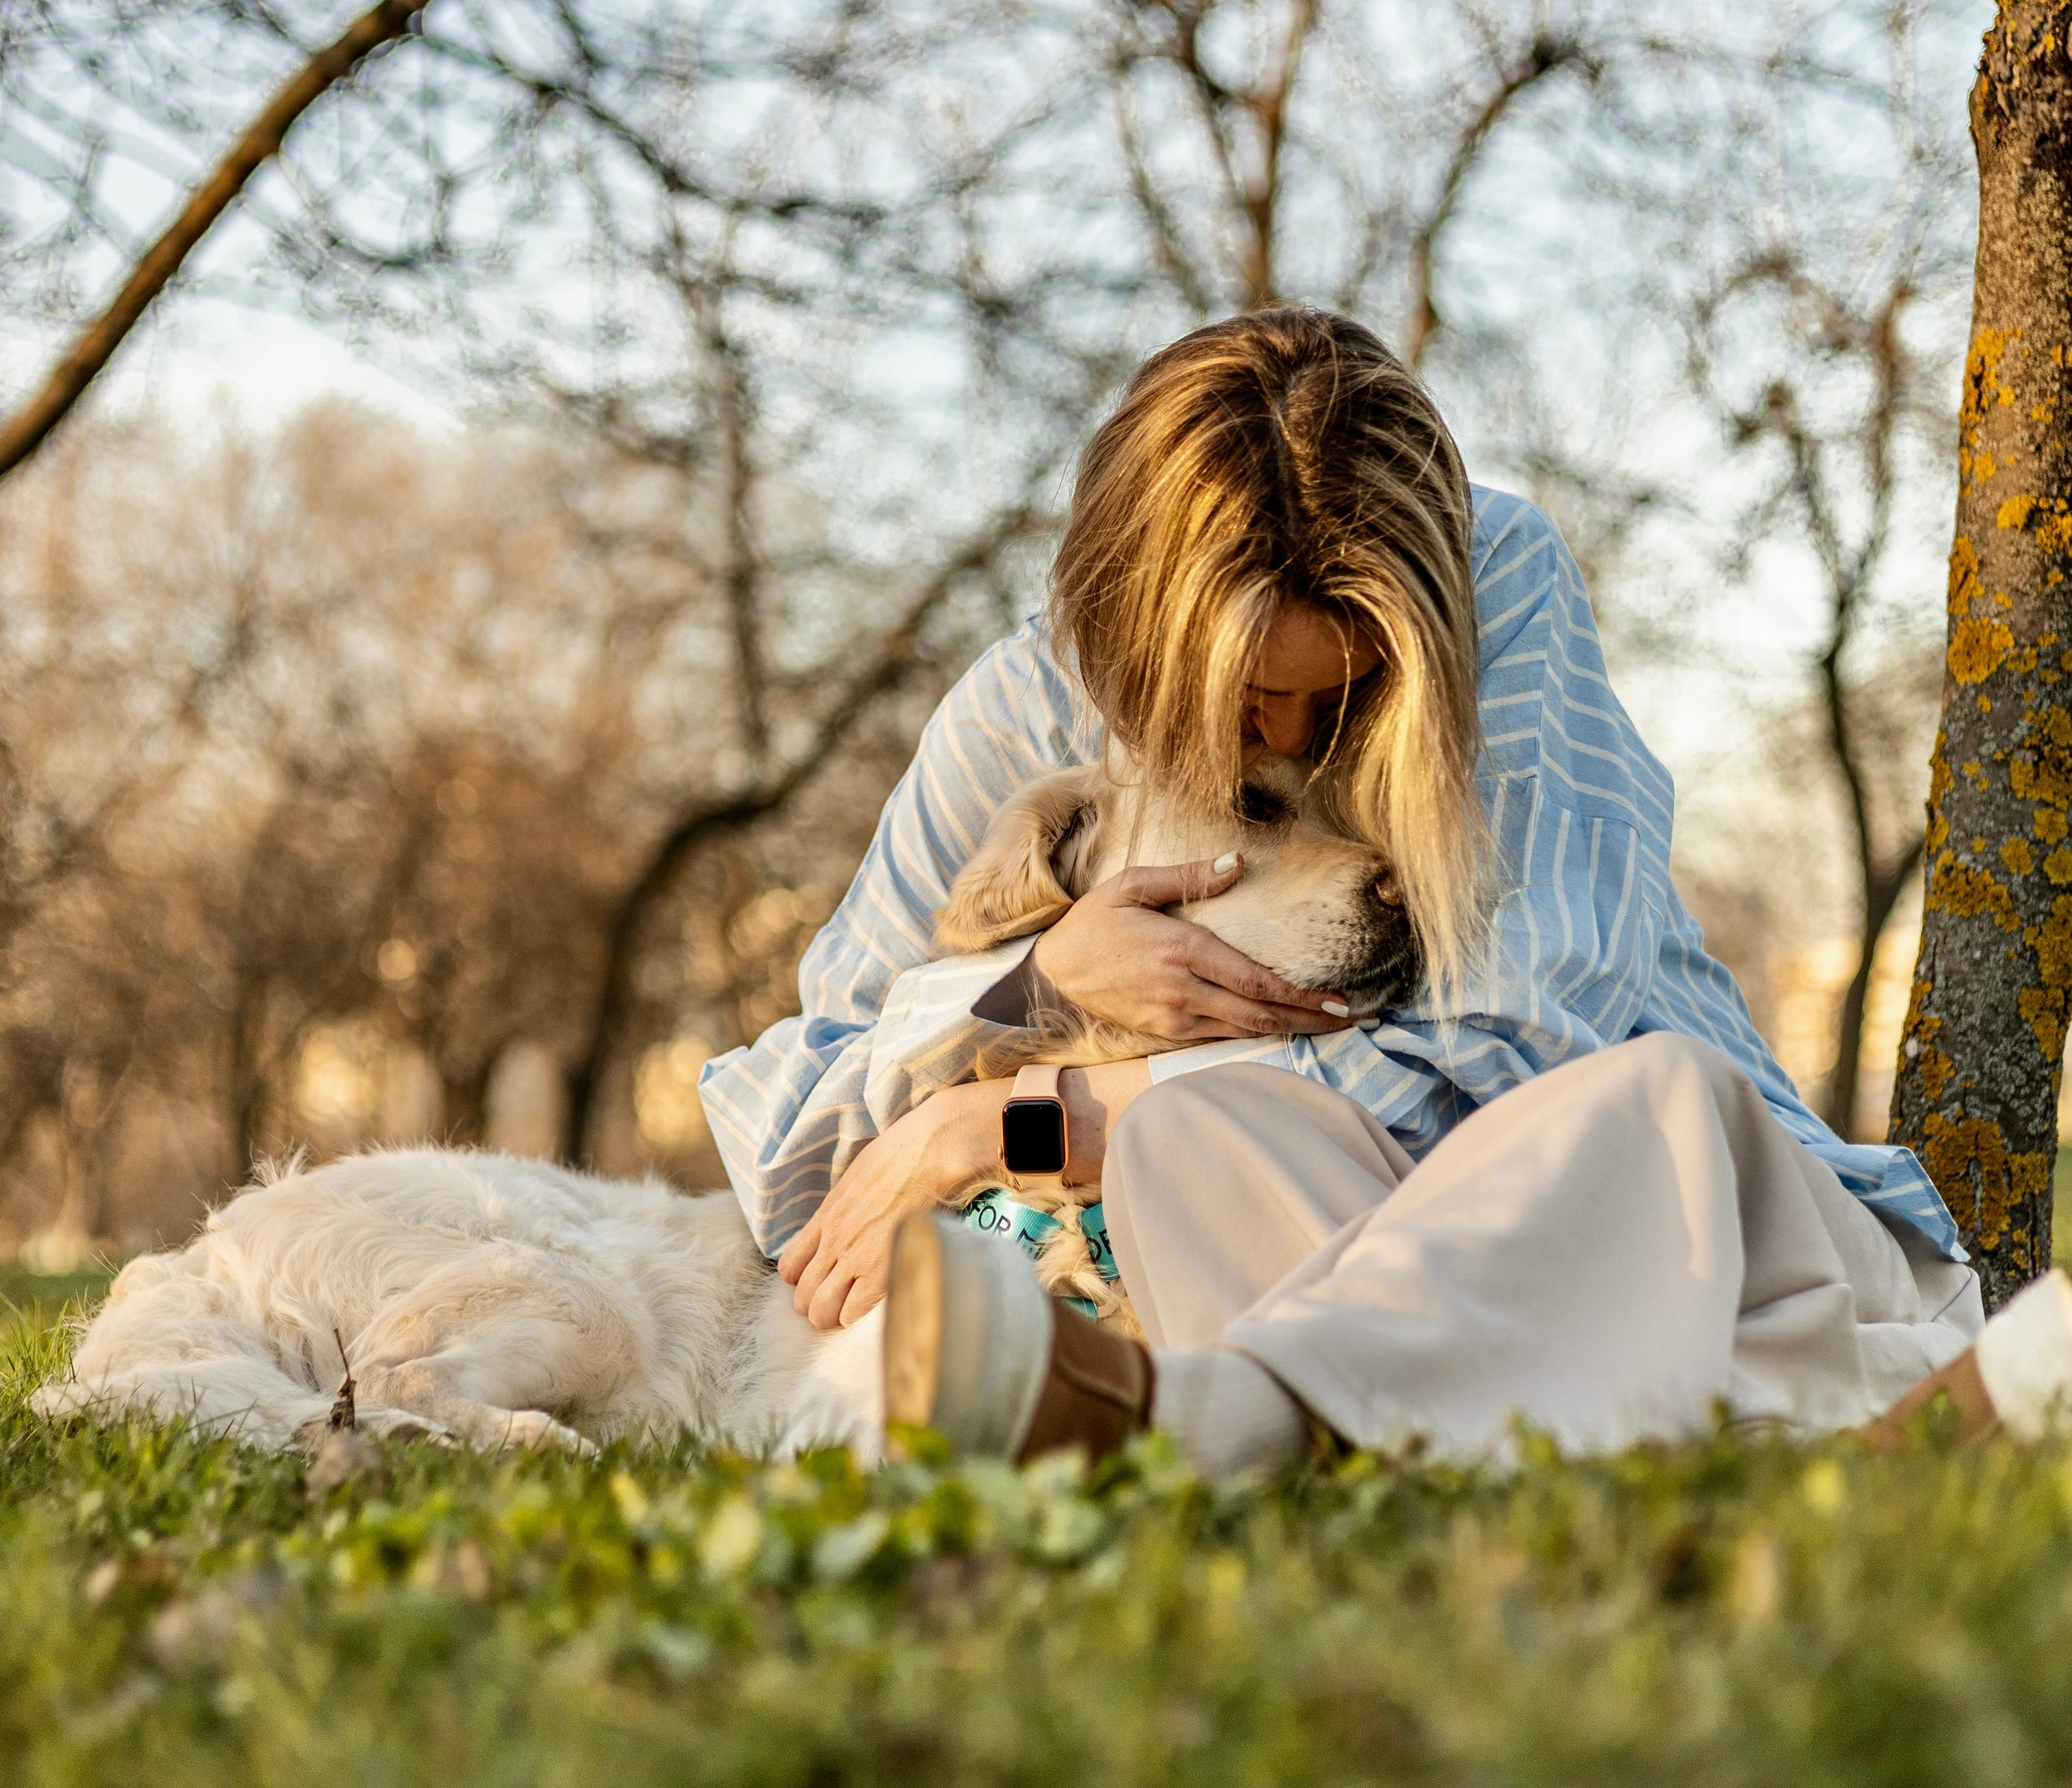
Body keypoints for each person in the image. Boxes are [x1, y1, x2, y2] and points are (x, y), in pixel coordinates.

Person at [700, 307, 2064, 1476]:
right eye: (1246, 710)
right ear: (1135, 642)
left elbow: (1511, 1058)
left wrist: (1018, 1119)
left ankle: (1194, 1418)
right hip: (1361, 1263)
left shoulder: (1499, 583)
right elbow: (789, 1151)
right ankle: (1813, 1444)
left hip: (1713, 1239)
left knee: (1650, 1099)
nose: (1295, 743)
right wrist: (1034, 988)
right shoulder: (1018, 709)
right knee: (1190, 1150)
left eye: (1339, 692)